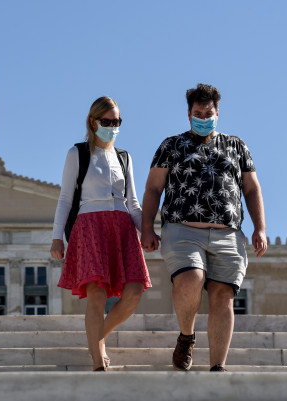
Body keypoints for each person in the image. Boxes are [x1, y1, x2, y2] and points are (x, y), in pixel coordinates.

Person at [141, 84, 267, 372]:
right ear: (188, 114)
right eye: (198, 114)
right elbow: (153, 188)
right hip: (183, 231)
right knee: (190, 279)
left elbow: (251, 189)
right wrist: (147, 228)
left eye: (208, 114)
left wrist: (260, 228)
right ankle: (186, 337)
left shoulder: (236, 146)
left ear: (217, 113)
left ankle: (217, 366)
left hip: (228, 234)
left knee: (223, 296)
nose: (203, 118)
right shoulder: (171, 145)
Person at [51, 96, 152, 371]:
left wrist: (146, 231)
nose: (112, 127)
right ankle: (98, 362)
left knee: (133, 292)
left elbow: (133, 203)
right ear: (93, 122)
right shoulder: (77, 153)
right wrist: (57, 237)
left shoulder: (125, 157)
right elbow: (65, 198)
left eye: (116, 122)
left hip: (122, 227)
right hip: (90, 226)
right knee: (96, 295)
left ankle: (98, 338)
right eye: (106, 122)